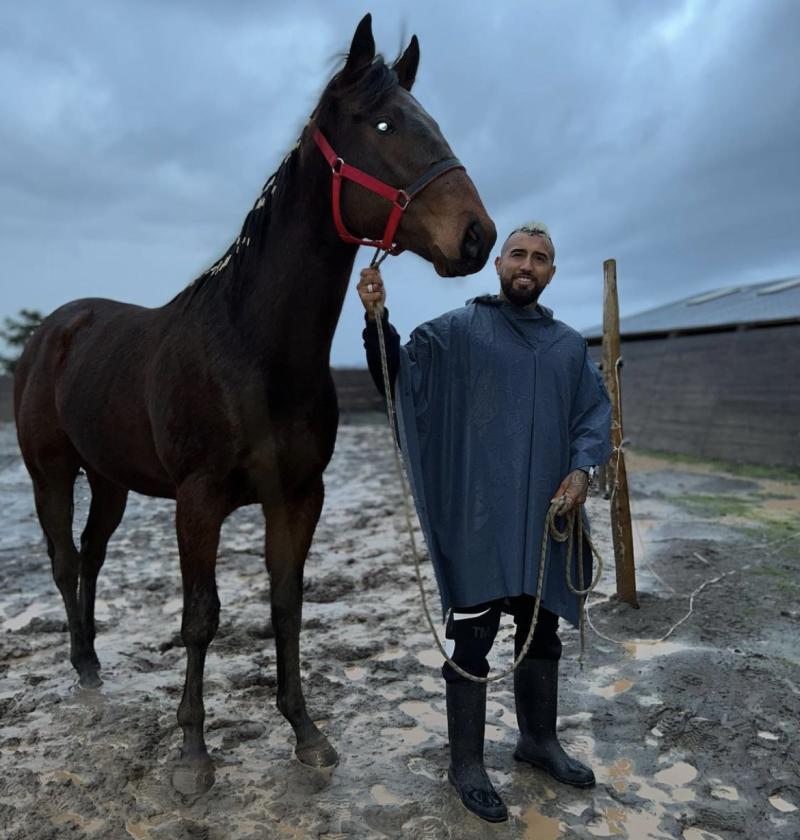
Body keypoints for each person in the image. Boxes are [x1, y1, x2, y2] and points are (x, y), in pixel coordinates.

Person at [358, 222, 612, 823]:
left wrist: (581, 473)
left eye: (541, 258)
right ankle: (467, 765)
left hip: (548, 520)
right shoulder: (458, 333)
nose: (528, 264)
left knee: (540, 631)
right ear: (499, 264)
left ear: (551, 272)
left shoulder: (570, 347)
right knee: (472, 636)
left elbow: (592, 418)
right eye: (519, 254)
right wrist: (377, 317)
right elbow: (400, 374)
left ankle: (537, 741)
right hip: (478, 518)